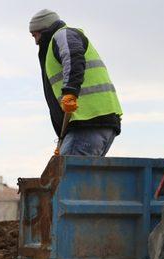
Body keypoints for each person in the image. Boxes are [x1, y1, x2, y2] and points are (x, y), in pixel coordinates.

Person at [29, 9, 122, 156]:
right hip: (98, 122)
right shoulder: (58, 41)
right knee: (82, 177)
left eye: (35, 35)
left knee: (65, 177)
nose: (35, 41)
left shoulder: (63, 35)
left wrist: (70, 92)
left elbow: (73, 57)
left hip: (87, 122)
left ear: (44, 29)